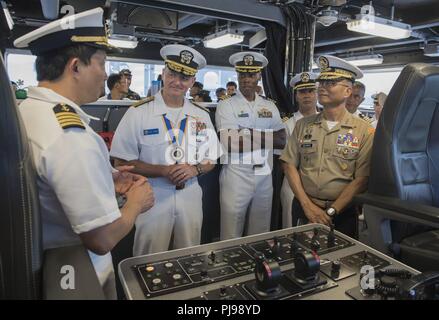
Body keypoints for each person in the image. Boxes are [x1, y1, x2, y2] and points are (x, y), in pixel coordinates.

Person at [13, 7, 155, 299]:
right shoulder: (70, 135)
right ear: (75, 67)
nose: (105, 74)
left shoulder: (29, 110)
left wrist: (106, 177)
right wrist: (135, 204)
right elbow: (101, 238)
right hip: (74, 268)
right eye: (101, 64)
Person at [110, 44, 222, 255]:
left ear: (192, 81)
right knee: (148, 257)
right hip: (151, 194)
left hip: (190, 193)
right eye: (172, 74)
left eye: (184, 77)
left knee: (190, 256)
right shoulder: (138, 113)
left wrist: (194, 170)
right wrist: (162, 171)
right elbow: (121, 163)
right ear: (163, 73)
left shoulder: (201, 115)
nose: (176, 82)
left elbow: (211, 159)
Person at [281, 55, 374, 238]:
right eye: (321, 81)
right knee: (301, 259)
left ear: (347, 91)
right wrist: (307, 207)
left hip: (342, 214)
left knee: (339, 263)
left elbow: (362, 179)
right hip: (304, 208)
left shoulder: (364, 130)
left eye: (331, 82)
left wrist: (331, 212)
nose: (322, 86)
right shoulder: (303, 125)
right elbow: (289, 164)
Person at [216, 51, 286, 240]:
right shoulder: (226, 105)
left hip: (264, 175)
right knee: (231, 234)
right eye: (242, 74)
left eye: (251, 74)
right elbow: (230, 142)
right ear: (237, 75)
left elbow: (282, 140)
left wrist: (246, 132)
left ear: (258, 76)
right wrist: (267, 136)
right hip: (237, 174)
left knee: (260, 233)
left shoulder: (269, 106)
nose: (246, 79)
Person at [280, 72, 318, 228]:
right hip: (292, 183)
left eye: (310, 90)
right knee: (290, 227)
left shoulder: (327, 121)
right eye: (302, 91)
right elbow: (282, 160)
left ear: (317, 93)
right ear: (296, 96)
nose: (307, 95)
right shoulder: (287, 124)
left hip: (318, 183)